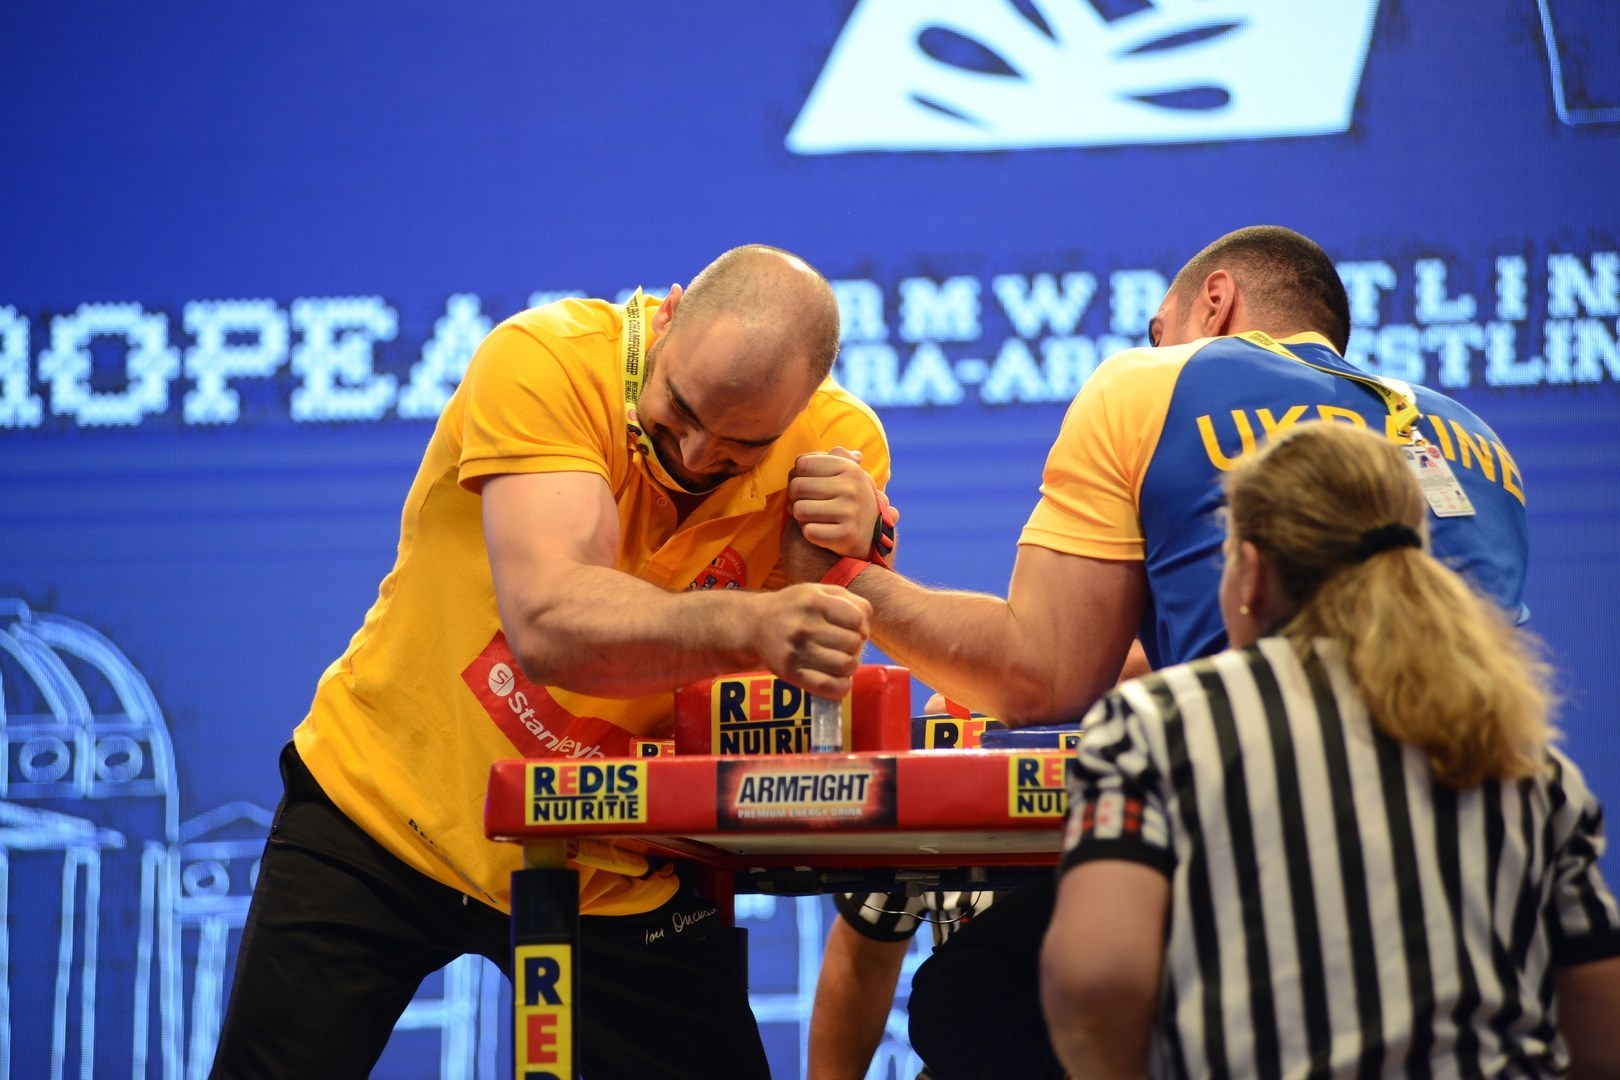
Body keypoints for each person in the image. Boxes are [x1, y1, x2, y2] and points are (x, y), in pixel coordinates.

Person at [786, 226, 1532, 1078]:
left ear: (1215, 302)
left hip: (1254, 900)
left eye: (1157, 326)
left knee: (965, 1000)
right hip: (1472, 914)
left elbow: (1045, 679)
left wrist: (848, 581)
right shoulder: (1480, 445)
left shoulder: (1155, 384)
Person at [212, 245, 893, 1079]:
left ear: (797, 415)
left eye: (739, 445)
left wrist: (847, 564)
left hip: (610, 855)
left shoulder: (838, 453)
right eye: (678, 409)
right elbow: (552, 626)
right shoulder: (545, 360)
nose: (693, 452)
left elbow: (781, 711)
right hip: (383, 807)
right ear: (669, 313)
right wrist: (758, 621)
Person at [1042, 421, 1620, 1076]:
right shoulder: (1523, 755)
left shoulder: (1154, 725)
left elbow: (1094, 987)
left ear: (1251, 575)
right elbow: (1602, 1031)